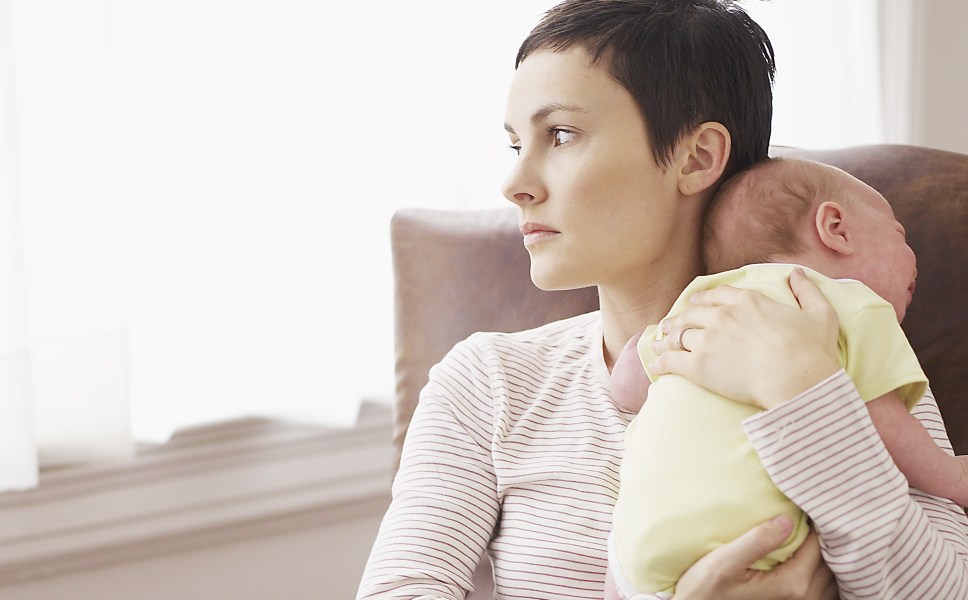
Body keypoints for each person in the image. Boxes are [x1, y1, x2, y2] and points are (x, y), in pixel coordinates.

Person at [356, 1, 968, 599]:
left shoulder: (847, 352)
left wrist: (806, 394)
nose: (515, 184)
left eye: (561, 135)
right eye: (518, 145)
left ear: (697, 157)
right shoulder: (488, 384)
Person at [607, 156, 968, 598]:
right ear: (835, 228)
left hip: (639, 553)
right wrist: (950, 477)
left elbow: (626, 385)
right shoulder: (853, 303)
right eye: (900, 235)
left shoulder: (699, 303)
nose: (916, 262)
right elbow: (881, 420)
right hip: (763, 542)